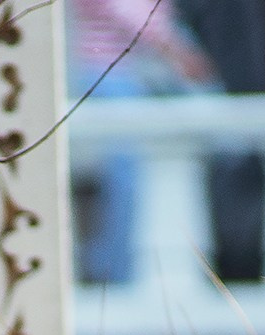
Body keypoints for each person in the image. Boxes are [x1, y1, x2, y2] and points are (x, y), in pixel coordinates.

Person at [70, 0, 220, 284]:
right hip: (109, 71)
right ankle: (115, 271)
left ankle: (118, 267)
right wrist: (176, 50)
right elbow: (126, 12)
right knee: (127, 172)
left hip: (136, 70)